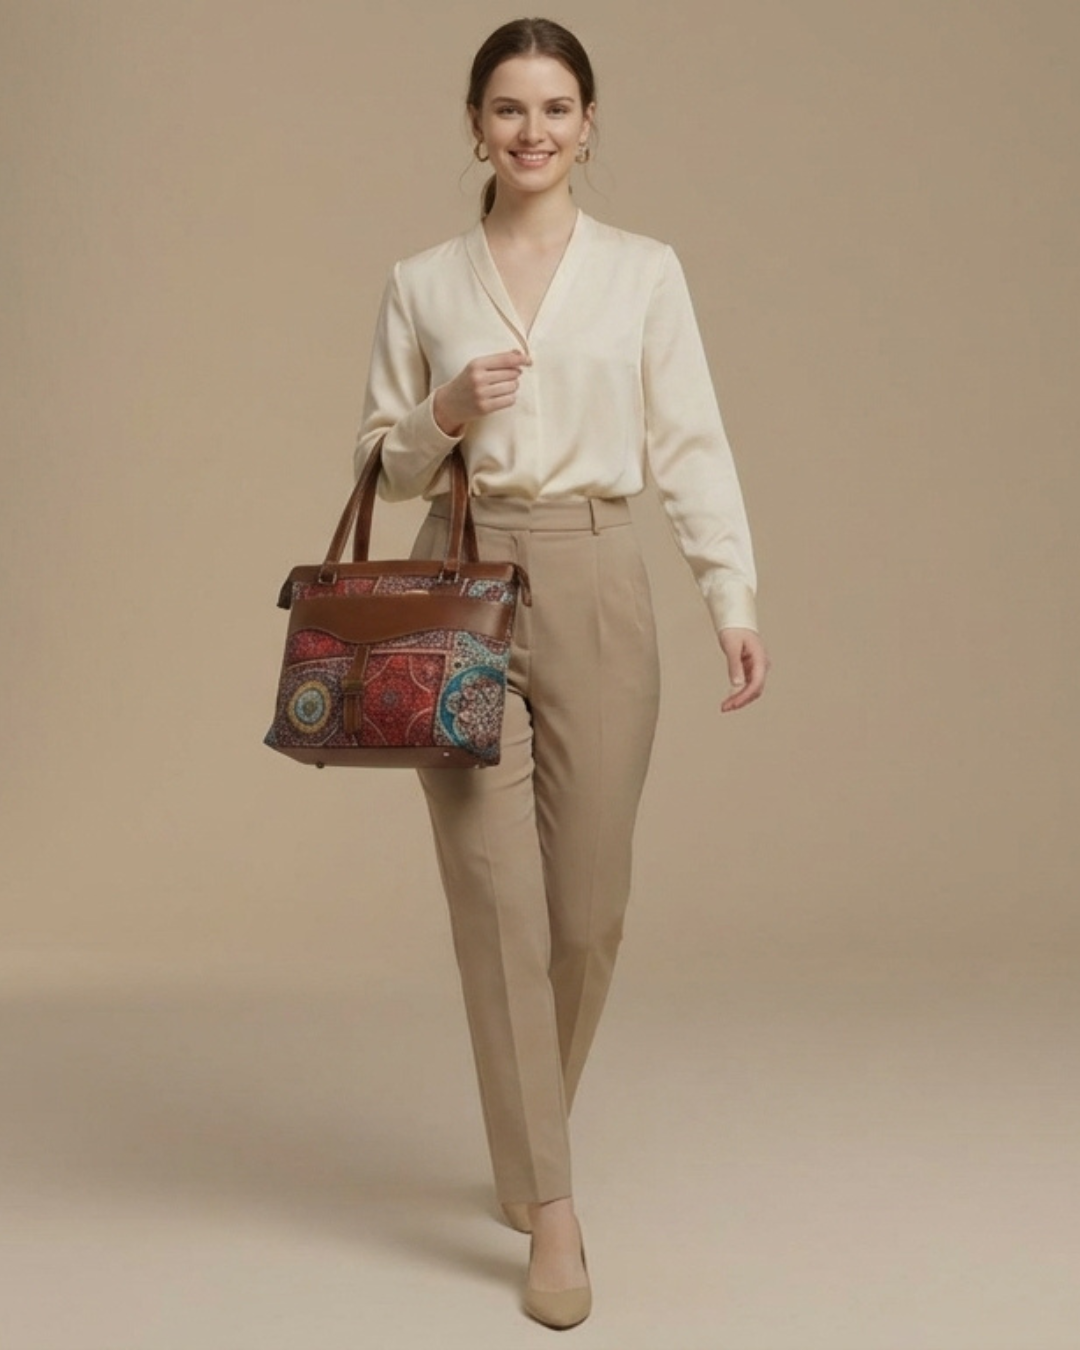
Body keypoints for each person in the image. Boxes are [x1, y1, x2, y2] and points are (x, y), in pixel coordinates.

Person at [354, 16, 770, 1330]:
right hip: (460, 584)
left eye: (556, 107)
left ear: (589, 126)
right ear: (473, 125)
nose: (532, 130)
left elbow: (691, 440)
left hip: (598, 579)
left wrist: (732, 594)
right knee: (498, 907)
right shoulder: (423, 281)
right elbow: (383, 459)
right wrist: (444, 411)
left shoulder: (644, 273)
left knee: (586, 913)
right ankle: (553, 1205)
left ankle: (529, 1137)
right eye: (508, 108)